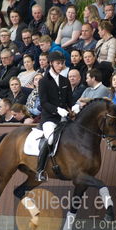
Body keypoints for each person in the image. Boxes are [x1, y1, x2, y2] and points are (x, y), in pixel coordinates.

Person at [36, 51, 73, 181]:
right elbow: (44, 103)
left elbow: (70, 101)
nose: (61, 65)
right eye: (58, 63)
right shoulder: (44, 81)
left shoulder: (65, 80)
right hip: (49, 118)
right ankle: (40, 170)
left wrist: (75, 107)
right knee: (50, 139)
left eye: (62, 63)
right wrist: (58, 110)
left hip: (64, 118)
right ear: (51, 63)